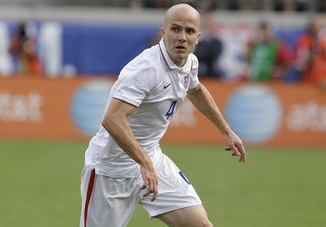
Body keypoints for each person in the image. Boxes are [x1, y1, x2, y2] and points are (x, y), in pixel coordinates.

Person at [79, 4, 246, 227]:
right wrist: (145, 164)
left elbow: (195, 90)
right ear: (163, 32)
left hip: (151, 159)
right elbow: (112, 119)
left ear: (198, 37)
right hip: (111, 170)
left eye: (189, 31)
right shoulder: (146, 69)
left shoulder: (190, 62)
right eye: (175, 29)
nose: (182, 37)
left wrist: (226, 130)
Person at [292, 15, 326, 84]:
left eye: (320, 26)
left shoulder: (323, 41)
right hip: (309, 81)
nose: (318, 29)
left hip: (323, 81)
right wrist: (313, 52)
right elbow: (301, 63)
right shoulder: (304, 41)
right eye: (315, 26)